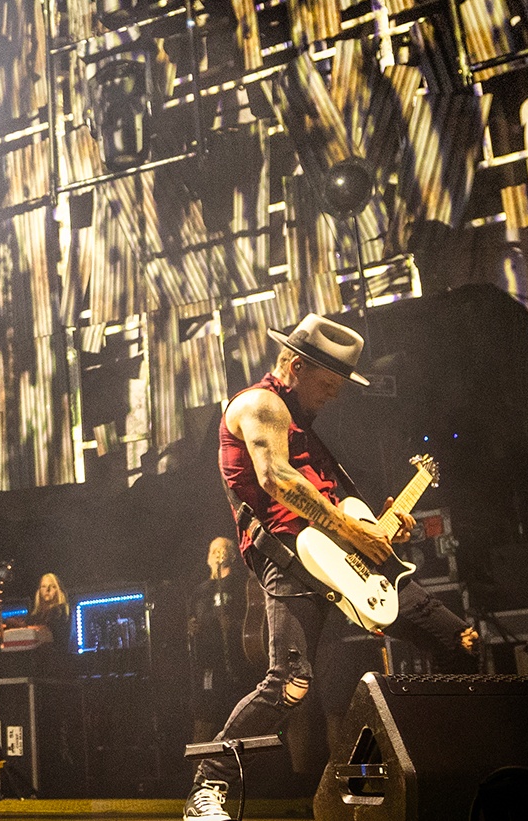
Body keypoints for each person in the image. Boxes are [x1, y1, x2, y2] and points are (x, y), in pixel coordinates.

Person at [184, 314, 479, 821]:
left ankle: (450, 774)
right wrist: (354, 532)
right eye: (327, 386)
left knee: (459, 642)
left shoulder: (308, 431)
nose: (334, 397)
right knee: (289, 683)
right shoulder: (259, 404)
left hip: (345, 556)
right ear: (295, 366)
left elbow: (337, 506)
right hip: (288, 555)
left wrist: (380, 528)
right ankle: (208, 789)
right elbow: (275, 480)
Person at [186, 536, 254, 742]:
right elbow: (192, 623)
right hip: (209, 666)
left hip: (238, 666)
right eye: (213, 549)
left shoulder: (242, 585)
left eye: (222, 549)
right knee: (204, 725)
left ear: (232, 555)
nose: (217, 553)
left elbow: (255, 620)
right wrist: (190, 629)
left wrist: (233, 625)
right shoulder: (200, 591)